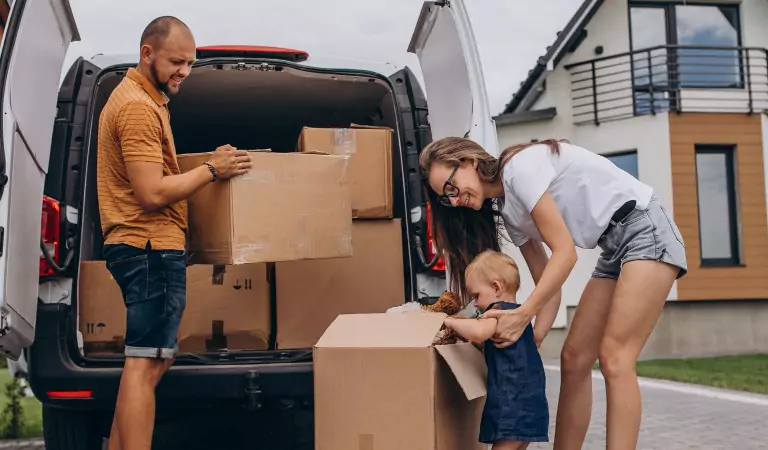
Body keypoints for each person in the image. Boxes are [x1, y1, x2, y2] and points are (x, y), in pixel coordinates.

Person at [420, 137, 687, 450]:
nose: (453, 201)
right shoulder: (509, 211)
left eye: (450, 188)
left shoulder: (519, 170)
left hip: (644, 230)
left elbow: (565, 254)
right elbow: (549, 284)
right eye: (445, 199)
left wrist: (522, 314)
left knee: (615, 358)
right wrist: (529, 340)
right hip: (613, 246)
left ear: (469, 162)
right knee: (573, 360)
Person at [96, 16, 253, 450]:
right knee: (146, 365)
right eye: (176, 62)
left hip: (140, 247)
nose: (185, 71)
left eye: (190, 63)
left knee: (145, 364)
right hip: (148, 246)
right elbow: (151, 192)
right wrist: (210, 170)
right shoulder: (136, 107)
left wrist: (208, 164)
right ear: (147, 53)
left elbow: (157, 176)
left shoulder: (144, 100)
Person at [444, 250, 548, 450]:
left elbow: (478, 333)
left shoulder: (498, 313)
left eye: (476, 295)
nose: (475, 303)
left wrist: (448, 321)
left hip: (512, 404)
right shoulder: (519, 317)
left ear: (496, 287)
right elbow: (484, 342)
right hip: (531, 402)